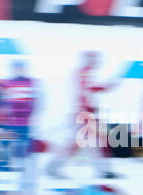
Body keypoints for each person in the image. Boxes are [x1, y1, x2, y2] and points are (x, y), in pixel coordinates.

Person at [47, 50, 118, 181]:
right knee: (86, 143)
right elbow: (88, 91)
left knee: (91, 142)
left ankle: (103, 170)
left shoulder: (83, 73)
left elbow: (89, 90)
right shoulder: (84, 73)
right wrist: (107, 87)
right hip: (84, 114)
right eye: (95, 60)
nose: (97, 63)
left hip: (85, 113)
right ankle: (53, 167)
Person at [0, 59, 38, 195]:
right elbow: (2, 104)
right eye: (16, 67)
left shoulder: (30, 83)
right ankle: (10, 189)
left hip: (24, 126)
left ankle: (25, 188)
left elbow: (34, 104)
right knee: (9, 157)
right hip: (9, 126)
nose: (18, 70)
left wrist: (25, 114)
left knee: (25, 158)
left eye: (21, 67)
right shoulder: (6, 84)